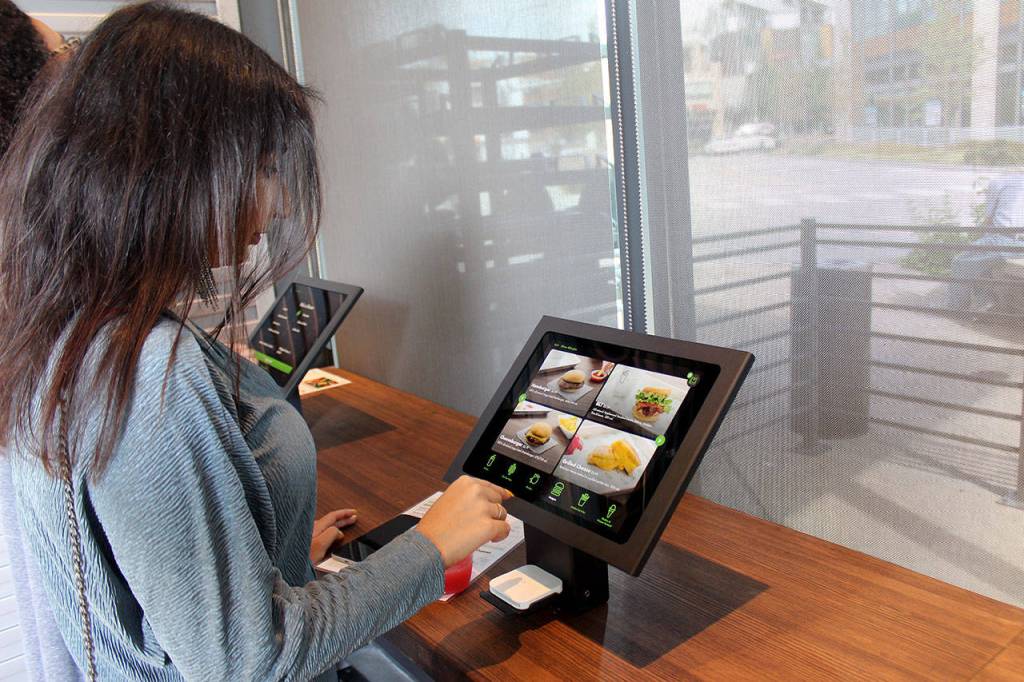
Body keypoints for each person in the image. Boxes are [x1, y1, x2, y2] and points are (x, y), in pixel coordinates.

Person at [0, 4, 511, 681]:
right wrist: (430, 546)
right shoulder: (147, 373)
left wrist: (269, 556)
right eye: (266, 169)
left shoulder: (66, 334)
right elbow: (248, 659)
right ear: (178, 168)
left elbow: (160, 592)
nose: (281, 205)